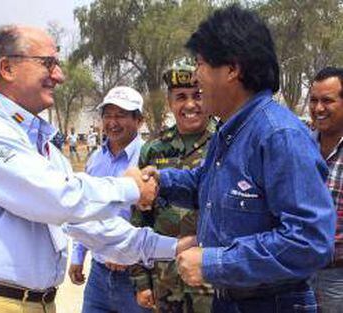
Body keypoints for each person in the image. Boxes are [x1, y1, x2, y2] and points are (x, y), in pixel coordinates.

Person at [0, 25, 177, 313]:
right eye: (48, 63)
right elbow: (56, 197)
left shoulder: (45, 149)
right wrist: (130, 187)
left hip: (38, 303)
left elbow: (95, 227)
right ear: (7, 68)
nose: (59, 75)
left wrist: (176, 247)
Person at [143, 5, 336, 313]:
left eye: (201, 64)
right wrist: (159, 182)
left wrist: (215, 262)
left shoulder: (278, 136)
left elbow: (310, 241)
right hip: (229, 301)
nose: (196, 77)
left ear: (232, 69)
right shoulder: (230, 131)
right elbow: (206, 188)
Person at [130, 59, 215, 313]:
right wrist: (141, 280)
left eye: (197, 95)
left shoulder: (226, 143)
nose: (190, 104)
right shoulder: (154, 150)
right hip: (165, 282)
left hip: (212, 283)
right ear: (170, 103)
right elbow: (139, 219)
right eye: (180, 97)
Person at [68, 86, 151, 313]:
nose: (113, 122)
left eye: (121, 115)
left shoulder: (149, 158)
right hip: (99, 275)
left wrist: (127, 252)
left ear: (139, 120)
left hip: (136, 277)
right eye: (108, 115)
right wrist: (78, 255)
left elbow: (156, 218)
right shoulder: (95, 160)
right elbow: (84, 209)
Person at [309, 67, 343, 313]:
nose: (318, 108)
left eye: (327, 100)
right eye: (313, 100)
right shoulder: (300, 146)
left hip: (338, 279)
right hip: (297, 274)